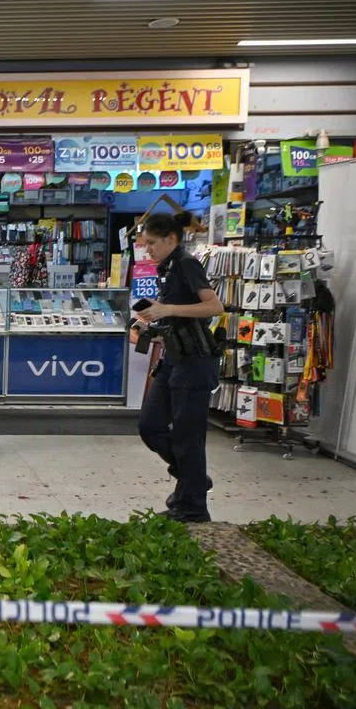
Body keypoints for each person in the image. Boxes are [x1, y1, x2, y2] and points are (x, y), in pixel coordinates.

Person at [134, 212, 225, 524]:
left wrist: (166, 309)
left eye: (151, 244)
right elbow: (175, 314)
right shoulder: (168, 268)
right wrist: (152, 321)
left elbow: (214, 306)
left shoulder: (186, 263)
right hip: (174, 358)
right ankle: (193, 478)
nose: (147, 250)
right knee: (150, 425)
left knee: (188, 436)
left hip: (195, 360)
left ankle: (192, 506)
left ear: (171, 239)